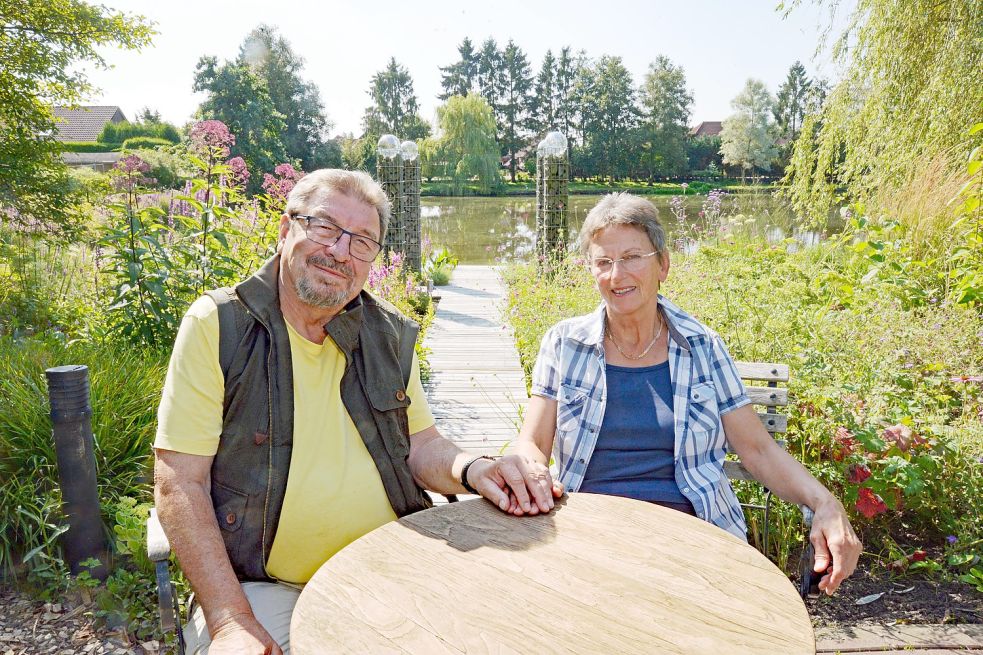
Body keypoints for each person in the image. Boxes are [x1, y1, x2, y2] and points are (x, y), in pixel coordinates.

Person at [154, 169, 558, 655]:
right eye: (324, 228)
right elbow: (180, 482)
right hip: (268, 586)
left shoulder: (387, 334)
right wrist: (228, 620)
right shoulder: (220, 326)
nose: (341, 251)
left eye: (363, 241)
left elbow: (422, 446)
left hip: (393, 565)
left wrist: (474, 469)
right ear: (286, 230)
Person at [504, 192, 862, 595]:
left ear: (663, 264)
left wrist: (825, 503)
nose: (617, 275)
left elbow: (757, 450)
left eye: (632, 257)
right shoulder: (564, 343)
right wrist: (527, 470)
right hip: (591, 535)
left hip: (694, 539)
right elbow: (533, 442)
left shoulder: (702, 346)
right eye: (603, 262)